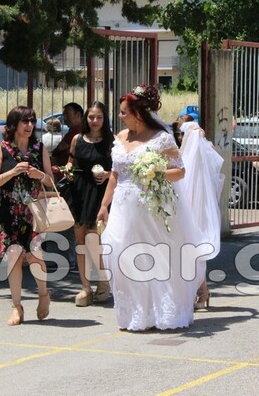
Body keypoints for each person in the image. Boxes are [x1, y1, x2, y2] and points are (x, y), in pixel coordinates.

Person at [96, 84, 207, 331]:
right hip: (123, 209)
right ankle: (135, 313)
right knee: (120, 254)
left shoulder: (162, 138)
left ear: (138, 113)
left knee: (153, 258)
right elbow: (115, 175)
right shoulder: (120, 138)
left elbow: (180, 171)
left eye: (124, 112)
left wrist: (156, 172)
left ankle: (163, 311)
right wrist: (104, 206)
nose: (120, 117)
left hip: (150, 207)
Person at [0, 105, 54, 326]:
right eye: (24, 121)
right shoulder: (2, 149)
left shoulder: (39, 148)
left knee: (35, 255)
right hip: (9, 211)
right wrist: (13, 171)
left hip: (33, 211)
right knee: (14, 256)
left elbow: (51, 182)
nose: (29, 126)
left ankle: (43, 293)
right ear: (14, 124)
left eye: (32, 121)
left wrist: (40, 174)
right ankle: (16, 306)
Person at [64, 101, 114, 306]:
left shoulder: (112, 141)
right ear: (86, 118)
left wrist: (108, 174)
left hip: (101, 192)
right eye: (91, 117)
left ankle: (103, 281)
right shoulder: (77, 139)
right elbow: (71, 160)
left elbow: (121, 169)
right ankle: (85, 287)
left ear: (105, 119)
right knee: (80, 240)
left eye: (99, 117)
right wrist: (67, 169)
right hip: (78, 190)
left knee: (95, 238)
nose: (95, 121)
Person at [178, 121, 225, 309]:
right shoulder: (200, 151)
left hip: (193, 212)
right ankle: (200, 293)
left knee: (191, 254)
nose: (181, 138)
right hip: (190, 210)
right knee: (190, 255)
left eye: (182, 133)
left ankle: (199, 293)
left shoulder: (195, 154)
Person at [49, 102, 84, 269]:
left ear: (78, 114)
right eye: (63, 114)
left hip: (74, 184)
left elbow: (58, 150)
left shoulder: (76, 134)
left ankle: (74, 261)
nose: (65, 118)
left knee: (73, 223)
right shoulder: (73, 133)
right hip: (72, 182)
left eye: (68, 114)